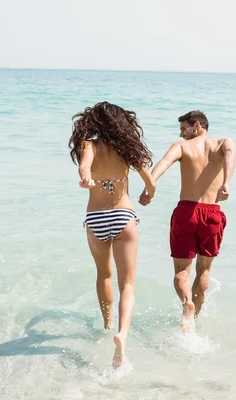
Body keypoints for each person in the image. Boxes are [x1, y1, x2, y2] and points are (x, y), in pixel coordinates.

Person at [69, 101, 156, 368]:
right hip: (123, 216)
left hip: (96, 218)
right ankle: (122, 334)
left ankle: (107, 324)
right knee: (127, 284)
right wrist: (147, 195)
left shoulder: (89, 145)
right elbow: (150, 182)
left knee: (103, 275)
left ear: (92, 122)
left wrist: (86, 178)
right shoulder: (127, 148)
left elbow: (85, 167)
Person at [139, 110, 236, 333]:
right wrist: (227, 183)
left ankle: (186, 304)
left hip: (186, 212)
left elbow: (164, 163)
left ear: (198, 125)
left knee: (181, 271)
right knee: (204, 271)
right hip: (212, 213)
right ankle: (194, 319)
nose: (181, 134)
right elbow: (230, 155)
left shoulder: (181, 147)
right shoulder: (223, 143)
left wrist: (149, 186)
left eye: (184, 128)